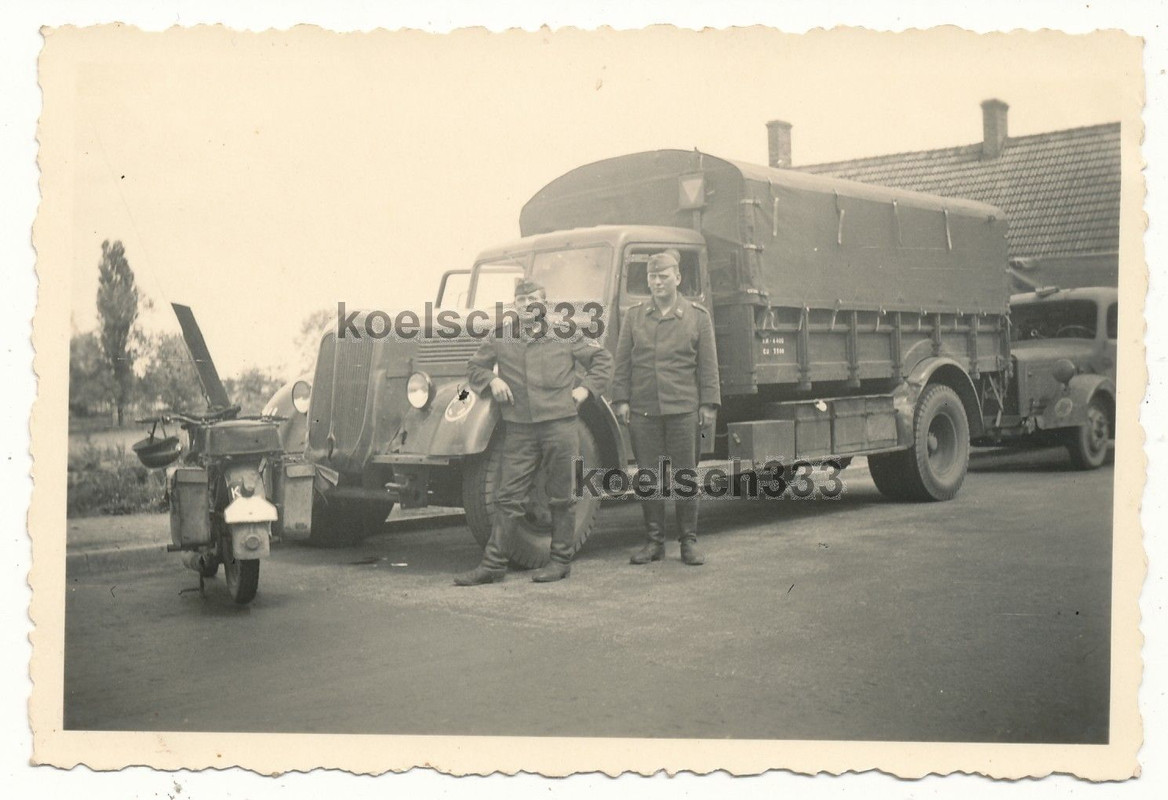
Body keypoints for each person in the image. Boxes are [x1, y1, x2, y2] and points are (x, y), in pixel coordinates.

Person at [454, 279, 613, 585]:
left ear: (544, 303)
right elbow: (474, 367)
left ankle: (560, 561)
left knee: (562, 496)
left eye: (533, 300)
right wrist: (492, 380)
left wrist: (585, 391)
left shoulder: (564, 333)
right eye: (521, 300)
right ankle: (493, 564)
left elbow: (602, 360)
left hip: (560, 425)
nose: (526, 305)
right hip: (521, 429)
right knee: (507, 496)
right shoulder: (501, 336)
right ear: (515, 305)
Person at [612, 251, 720, 566]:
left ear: (677, 277)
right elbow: (623, 363)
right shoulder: (635, 316)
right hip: (644, 410)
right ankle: (654, 542)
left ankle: (688, 542)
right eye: (651, 277)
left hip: (683, 410)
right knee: (648, 477)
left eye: (662, 276)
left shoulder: (697, 317)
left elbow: (708, 366)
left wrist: (708, 405)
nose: (656, 282)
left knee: (685, 476)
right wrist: (621, 400)